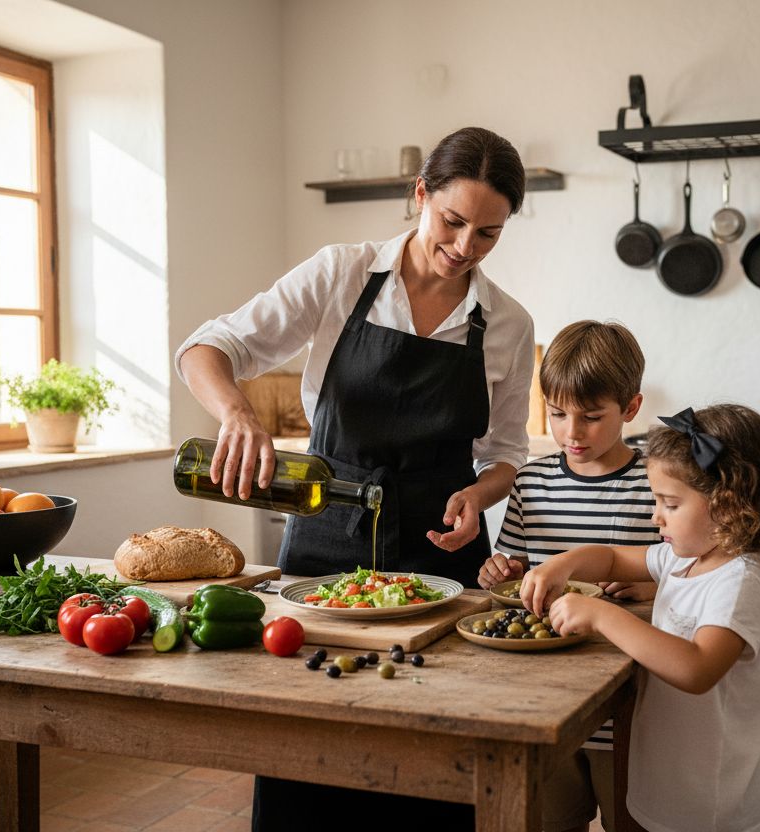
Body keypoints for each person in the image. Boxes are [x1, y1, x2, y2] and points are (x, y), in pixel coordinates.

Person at [175, 126, 534, 829]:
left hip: (440, 555)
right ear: (420, 194)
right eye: (452, 221)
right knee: (307, 741)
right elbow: (207, 347)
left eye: (488, 234)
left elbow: (506, 454)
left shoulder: (507, 324)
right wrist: (238, 414)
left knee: (437, 751)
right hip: (327, 543)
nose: (465, 246)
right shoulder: (340, 274)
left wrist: (478, 493)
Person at [520, 404, 760, 832]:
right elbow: (613, 557)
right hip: (671, 790)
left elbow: (696, 668)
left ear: (728, 504)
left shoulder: (741, 581)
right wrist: (562, 564)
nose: (656, 515)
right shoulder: (685, 559)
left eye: (670, 504)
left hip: (722, 808)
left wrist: (601, 615)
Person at [477, 319, 659, 832]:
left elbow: (685, 573)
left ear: (631, 408)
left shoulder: (658, 483)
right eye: (557, 414)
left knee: (631, 819)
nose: (572, 433)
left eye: (591, 417)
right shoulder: (531, 482)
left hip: (627, 700)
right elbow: (513, 568)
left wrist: (652, 584)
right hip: (543, 695)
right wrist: (499, 570)